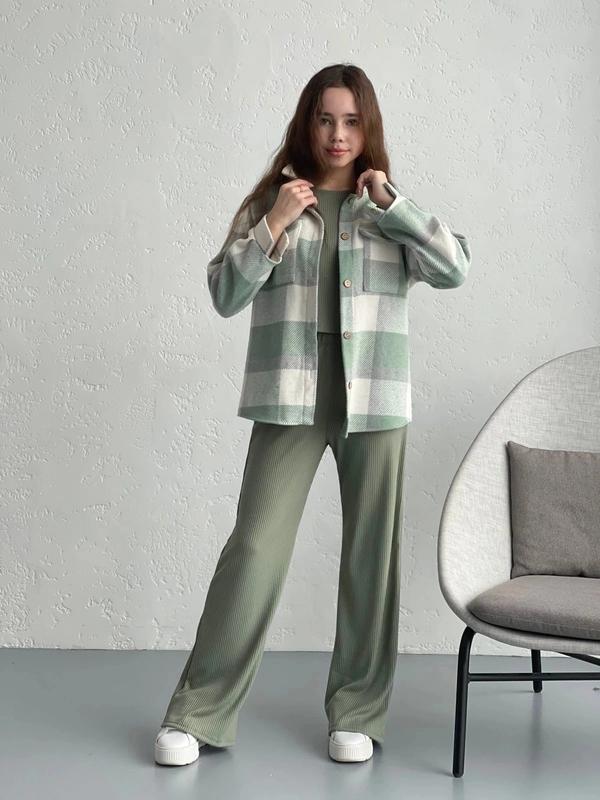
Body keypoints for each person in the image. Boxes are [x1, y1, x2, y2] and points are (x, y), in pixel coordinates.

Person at [154, 63, 471, 767]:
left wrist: (396, 205)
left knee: (370, 556)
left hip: (375, 399)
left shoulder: (383, 207)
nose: (337, 134)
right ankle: (198, 711)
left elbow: (454, 268)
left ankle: (357, 710)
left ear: (368, 127)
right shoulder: (275, 200)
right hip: (290, 396)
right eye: (326, 119)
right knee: (255, 550)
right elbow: (224, 294)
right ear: (308, 122)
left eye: (352, 121)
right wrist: (274, 223)